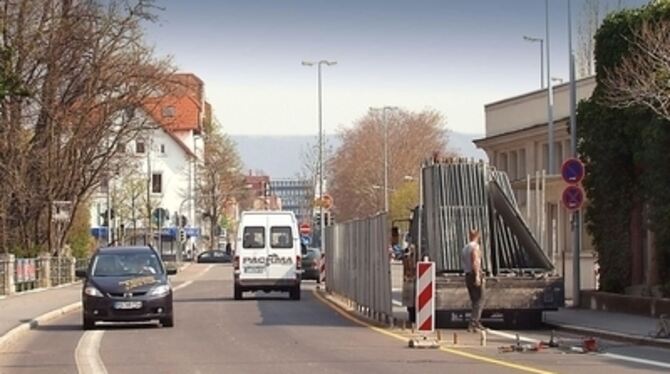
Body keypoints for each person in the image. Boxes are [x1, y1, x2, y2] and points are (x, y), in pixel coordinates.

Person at [461, 228, 485, 332]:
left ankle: (476, 322)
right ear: (478, 236)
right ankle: (473, 323)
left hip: (467, 275)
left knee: (474, 300)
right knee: (479, 300)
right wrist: (477, 276)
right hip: (473, 274)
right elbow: (475, 261)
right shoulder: (475, 247)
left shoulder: (465, 248)